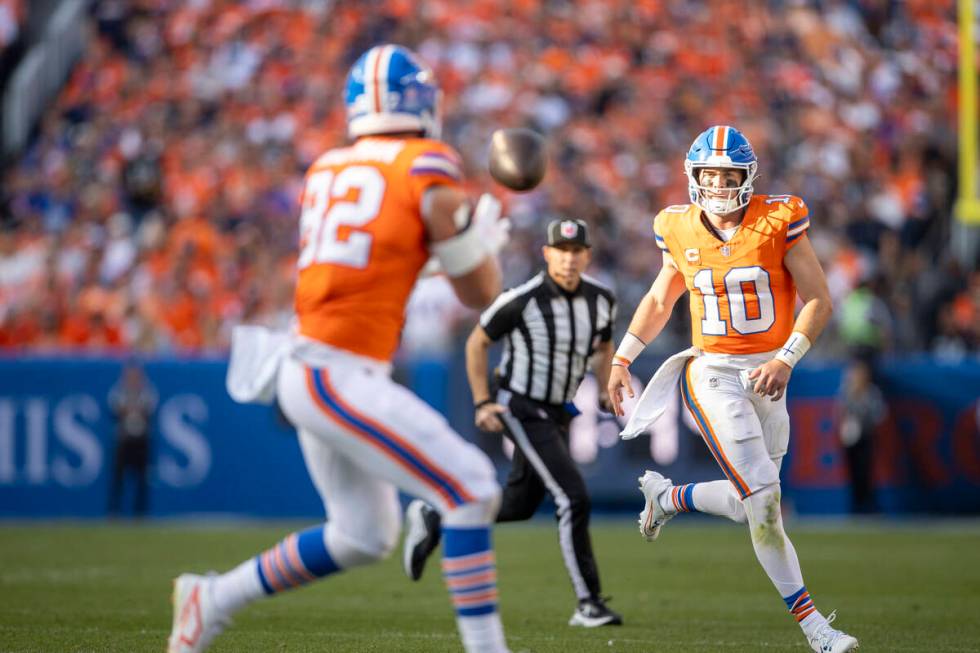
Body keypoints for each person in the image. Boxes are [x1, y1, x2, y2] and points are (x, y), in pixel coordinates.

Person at [168, 44, 512, 653]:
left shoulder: (327, 168)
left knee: (362, 534)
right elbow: (482, 292)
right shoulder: (427, 163)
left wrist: (448, 248)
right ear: (423, 102)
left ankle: (210, 598)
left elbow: (373, 268)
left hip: (314, 365)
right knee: (472, 488)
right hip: (335, 373)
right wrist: (471, 247)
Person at [608, 126, 859, 653]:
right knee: (766, 501)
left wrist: (788, 358)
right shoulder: (676, 227)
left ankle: (668, 497)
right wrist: (623, 356)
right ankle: (816, 629)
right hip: (713, 373)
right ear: (693, 177)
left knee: (754, 505)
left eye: (728, 175)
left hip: (770, 374)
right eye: (710, 175)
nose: (719, 185)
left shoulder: (779, 219)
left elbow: (818, 298)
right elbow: (660, 299)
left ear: (748, 177)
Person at [403, 219, 623, 628]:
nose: (569, 259)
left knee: (520, 506)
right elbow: (477, 342)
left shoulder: (601, 299)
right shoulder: (523, 299)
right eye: (561, 250)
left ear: (587, 255)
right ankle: (589, 603)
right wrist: (484, 401)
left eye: (576, 251)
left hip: (559, 410)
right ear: (547, 253)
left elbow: (605, 343)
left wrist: (608, 387)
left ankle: (437, 515)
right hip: (521, 406)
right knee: (572, 496)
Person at [107, 360, 157, 517]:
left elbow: (147, 408)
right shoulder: (119, 391)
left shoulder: (147, 391)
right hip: (125, 439)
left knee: (142, 478)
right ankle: (114, 511)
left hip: (141, 440)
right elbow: (117, 408)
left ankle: (140, 512)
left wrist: (132, 409)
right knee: (119, 477)